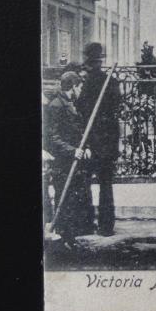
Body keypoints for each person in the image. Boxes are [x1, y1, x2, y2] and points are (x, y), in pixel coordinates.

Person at [44, 71, 94, 247]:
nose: (80, 90)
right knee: (64, 200)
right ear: (72, 86)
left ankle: (70, 238)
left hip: (74, 161)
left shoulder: (70, 104)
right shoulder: (56, 106)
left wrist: (85, 147)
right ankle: (64, 238)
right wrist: (73, 151)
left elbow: (78, 132)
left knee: (73, 200)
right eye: (79, 86)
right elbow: (53, 138)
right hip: (63, 163)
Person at [76, 43, 120, 237]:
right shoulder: (111, 81)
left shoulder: (86, 82)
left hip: (91, 138)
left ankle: (87, 223)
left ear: (88, 60)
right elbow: (117, 104)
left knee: (84, 182)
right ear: (100, 60)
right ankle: (106, 226)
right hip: (109, 139)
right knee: (106, 183)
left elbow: (81, 109)